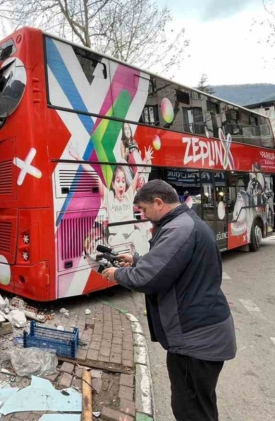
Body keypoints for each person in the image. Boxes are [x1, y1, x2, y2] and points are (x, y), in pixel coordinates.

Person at [101, 179, 236, 421]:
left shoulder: (178, 229)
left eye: (143, 209)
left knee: (190, 410)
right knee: (200, 406)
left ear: (159, 202)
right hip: (202, 333)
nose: (143, 215)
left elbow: (147, 278)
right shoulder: (184, 223)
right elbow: (171, 265)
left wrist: (116, 274)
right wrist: (136, 259)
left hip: (196, 340)